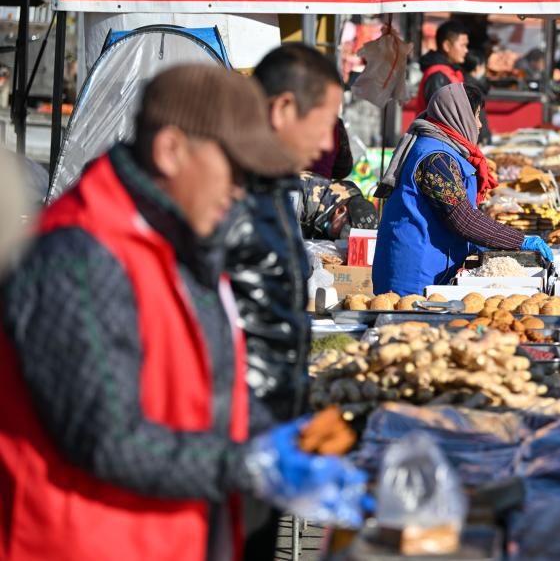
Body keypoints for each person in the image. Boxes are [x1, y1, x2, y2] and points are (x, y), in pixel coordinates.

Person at [0, 65, 362, 561]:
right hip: (91, 542)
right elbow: (109, 439)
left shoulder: (180, 241)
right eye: (233, 170)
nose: (239, 192)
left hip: (173, 534)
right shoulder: (80, 256)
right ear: (172, 151)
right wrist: (248, 464)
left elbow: (206, 387)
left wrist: (277, 435)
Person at [222, 44, 344, 560]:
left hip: (269, 427)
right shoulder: (223, 194)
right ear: (282, 110)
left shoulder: (275, 186)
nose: (325, 145)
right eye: (322, 126)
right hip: (230, 438)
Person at [373, 83, 552, 296]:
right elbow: (463, 219)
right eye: (476, 116)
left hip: (431, 268)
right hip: (415, 276)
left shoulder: (441, 146)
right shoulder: (436, 159)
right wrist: (519, 241)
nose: (479, 125)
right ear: (458, 116)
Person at [296, 173, 379, 240]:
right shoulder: (301, 193)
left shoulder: (327, 213)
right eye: (343, 233)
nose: (339, 238)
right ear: (340, 210)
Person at [413, 19, 469, 111]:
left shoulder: (451, 71)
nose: (466, 50)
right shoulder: (438, 75)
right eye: (463, 45)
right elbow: (439, 114)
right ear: (447, 46)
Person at [463, 50, 493, 144]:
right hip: (476, 140)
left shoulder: (463, 83)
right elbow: (479, 115)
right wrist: (485, 137)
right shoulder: (473, 89)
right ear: (477, 67)